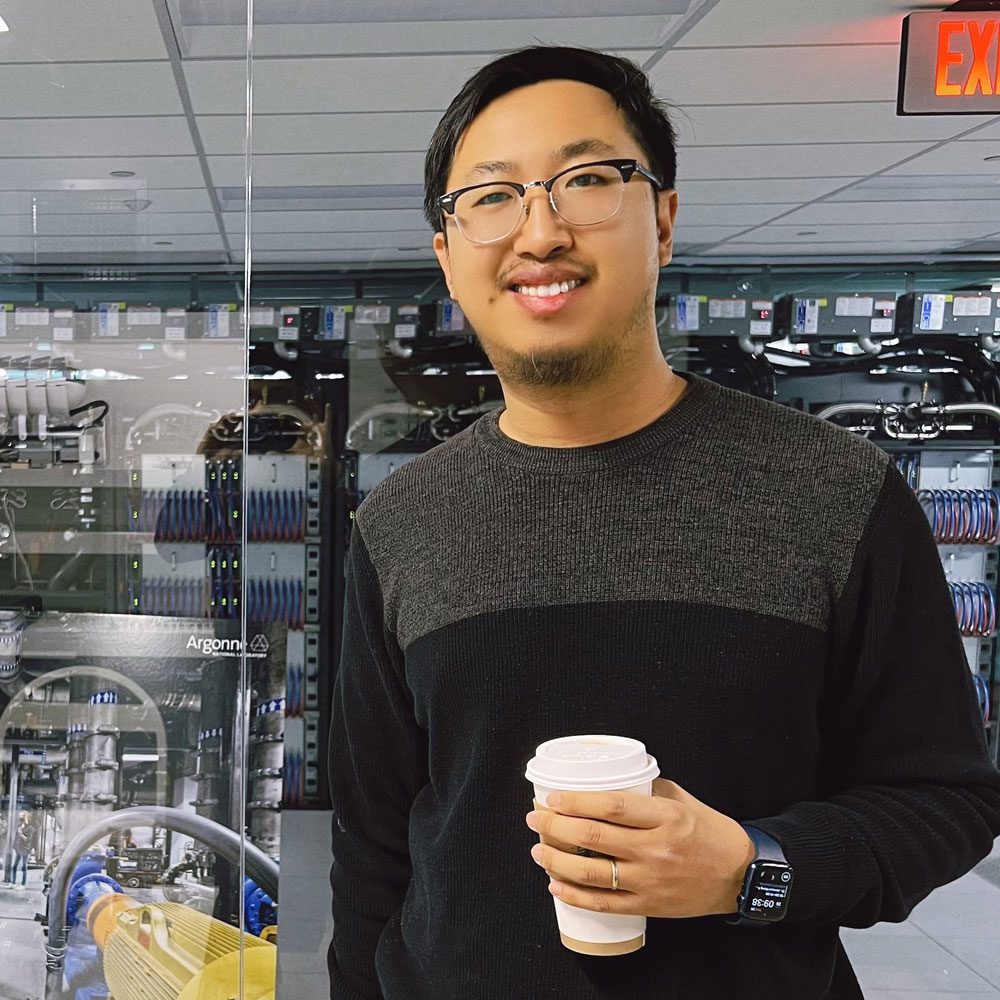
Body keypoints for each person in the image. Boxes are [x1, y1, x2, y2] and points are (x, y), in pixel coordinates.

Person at [327, 46, 1000, 1000]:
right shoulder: (402, 521)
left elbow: (945, 799)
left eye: (587, 180)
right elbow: (373, 848)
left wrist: (754, 866)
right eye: (492, 196)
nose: (540, 230)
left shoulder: (834, 492)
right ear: (448, 252)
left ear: (665, 218)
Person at [9, 811, 33, 889]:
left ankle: (23, 884)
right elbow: (16, 837)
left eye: (22, 817)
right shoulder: (20, 826)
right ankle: (13, 883)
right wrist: (14, 846)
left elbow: (28, 840)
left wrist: (21, 834)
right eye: (20, 817)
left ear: (26, 817)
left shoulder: (30, 828)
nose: (21, 819)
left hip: (25, 849)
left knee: (24, 866)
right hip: (18, 849)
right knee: (14, 866)